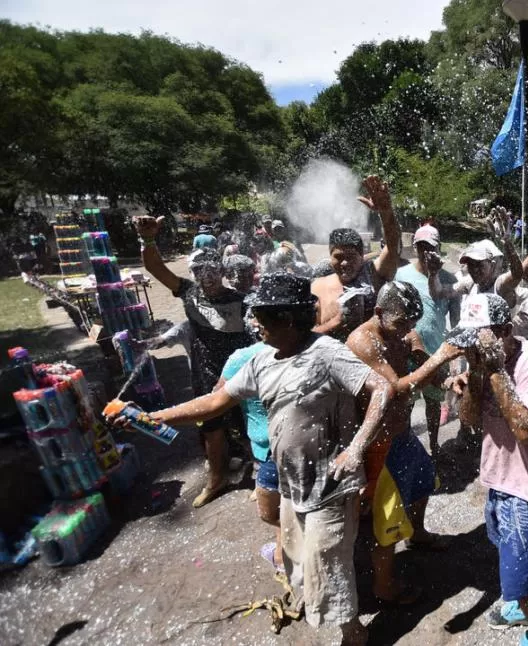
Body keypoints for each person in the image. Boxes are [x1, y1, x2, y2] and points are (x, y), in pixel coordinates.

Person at [111, 273, 395, 645]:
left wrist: (356, 447)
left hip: (332, 484)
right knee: (299, 559)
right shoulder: (261, 360)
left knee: (331, 565)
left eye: (262, 315)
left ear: (289, 320)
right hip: (293, 483)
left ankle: (353, 633)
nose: (254, 322)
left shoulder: (326, 353)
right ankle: (326, 609)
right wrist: (153, 417)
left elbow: (382, 387)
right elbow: (214, 402)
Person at [450, 294, 528, 646]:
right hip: (500, 478)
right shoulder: (481, 363)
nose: (473, 350)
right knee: (511, 554)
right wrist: (476, 376)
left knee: (518, 581)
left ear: (505, 331)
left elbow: (524, 428)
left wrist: (495, 370)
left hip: (527, 486)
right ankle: (521, 600)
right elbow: (468, 420)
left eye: (479, 341)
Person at [346, 281, 459, 604]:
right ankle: (385, 586)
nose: (407, 330)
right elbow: (395, 389)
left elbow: (429, 369)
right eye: (400, 324)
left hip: (403, 434)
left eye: (412, 323)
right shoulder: (363, 342)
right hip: (377, 443)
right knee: (387, 519)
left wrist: (450, 379)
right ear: (379, 313)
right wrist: (438, 360)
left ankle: (419, 534)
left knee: (423, 483)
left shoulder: (405, 332)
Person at [133, 217, 251, 507]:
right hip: (203, 372)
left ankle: (261, 475)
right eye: (199, 270)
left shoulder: (242, 300)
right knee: (211, 428)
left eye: (212, 270)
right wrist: (148, 241)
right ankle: (217, 478)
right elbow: (155, 268)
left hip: (239, 373)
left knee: (249, 422)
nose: (206, 276)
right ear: (194, 273)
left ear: (223, 271)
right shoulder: (189, 293)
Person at [394, 225, 461, 458]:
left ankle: (434, 445)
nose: (426, 253)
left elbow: (456, 320)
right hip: (408, 353)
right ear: (415, 248)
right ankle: (405, 445)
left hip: (436, 353)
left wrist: (455, 355)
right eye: (421, 247)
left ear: (438, 248)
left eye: (430, 247)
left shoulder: (449, 279)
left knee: (433, 404)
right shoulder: (402, 276)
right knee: (407, 403)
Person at [311, 176, 401, 341]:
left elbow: (393, 246)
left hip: (372, 360)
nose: (345, 263)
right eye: (338, 257)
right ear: (330, 257)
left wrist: (386, 212)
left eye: (351, 257)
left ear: (362, 256)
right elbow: (304, 336)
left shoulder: (374, 274)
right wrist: (335, 323)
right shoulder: (317, 286)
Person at [217, 340, 280, 570]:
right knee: (294, 502)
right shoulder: (308, 344)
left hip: (266, 447)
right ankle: (289, 548)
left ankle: (286, 555)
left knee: (269, 513)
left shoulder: (241, 358)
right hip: (303, 443)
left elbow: (217, 397)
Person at [428, 208, 523, 309]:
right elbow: (438, 293)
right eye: (470, 264)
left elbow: (517, 274)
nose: (474, 269)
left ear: (492, 264)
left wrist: (507, 242)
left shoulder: (499, 285)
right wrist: (433, 274)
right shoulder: (470, 284)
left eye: (479, 264)